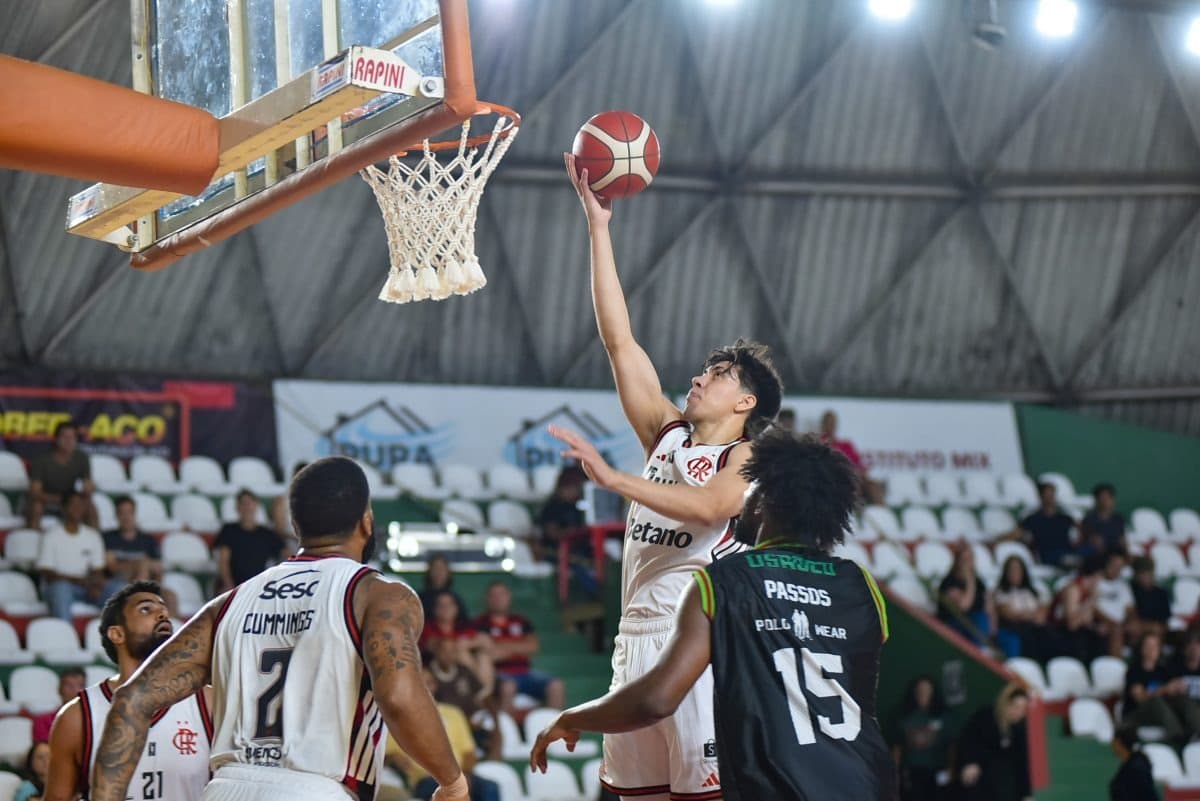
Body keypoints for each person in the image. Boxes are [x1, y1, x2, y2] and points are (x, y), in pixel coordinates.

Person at [549, 152, 785, 801]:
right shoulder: (667, 431)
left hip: (698, 647)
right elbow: (620, 342)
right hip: (634, 643)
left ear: (746, 404)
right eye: (704, 369)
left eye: (718, 375)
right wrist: (598, 227)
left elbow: (710, 508)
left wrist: (613, 478)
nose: (699, 377)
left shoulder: (747, 458)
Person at [531, 430, 897, 801]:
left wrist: (570, 718)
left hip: (779, 785)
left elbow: (655, 701)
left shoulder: (724, 579)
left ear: (764, 500)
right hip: (865, 782)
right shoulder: (861, 585)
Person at [87, 457, 470, 801]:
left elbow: (131, 700)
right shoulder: (378, 595)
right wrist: (451, 781)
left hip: (224, 789)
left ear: (295, 526)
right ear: (366, 520)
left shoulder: (229, 603)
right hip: (317, 788)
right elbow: (400, 698)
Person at [43, 581, 210, 801]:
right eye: (146, 609)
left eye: (164, 609)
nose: (161, 613)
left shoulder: (207, 701)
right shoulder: (77, 717)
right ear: (117, 634)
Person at [385, 669, 500, 801]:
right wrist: (393, 758)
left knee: (490, 787)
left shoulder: (454, 713)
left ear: (435, 686)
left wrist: (464, 775)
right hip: (426, 779)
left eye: (429, 682)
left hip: (459, 775)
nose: (426, 687)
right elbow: (388, 754)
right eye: (420, 683)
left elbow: (469, 753)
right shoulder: (400, 718)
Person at [473, 581, 565, 713]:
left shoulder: (521, 621)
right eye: (494, 595)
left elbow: (533, 647)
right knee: (508, 687)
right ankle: (505, 729)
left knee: (556, 685)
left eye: (502, 594)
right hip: (499, 674)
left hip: (525, 672)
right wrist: (518, 646)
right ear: (487, 599)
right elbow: (489, 653)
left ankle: (555, 729)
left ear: (509, 597)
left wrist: (500, 646)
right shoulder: (479, 623)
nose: (498, 599)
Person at [36, 489, 109, 621]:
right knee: (61, 589)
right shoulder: (51, 536)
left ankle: (111, 637)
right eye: (73, 505)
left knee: (117, 588)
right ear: (63, 508)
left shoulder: (92, 536)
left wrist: (96, 585)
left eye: (81, 505)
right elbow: (47, 573)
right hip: (59, 588)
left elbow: (98, 570)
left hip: (86, 587)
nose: (77, 509)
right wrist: (77, 581)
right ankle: (65, 638)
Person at [426, 636, 499, 760]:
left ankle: (487, 756)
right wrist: (465, 721)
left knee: (490, 725)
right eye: (445, 651)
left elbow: (484, 696)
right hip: (446, 722)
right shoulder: (429, 674)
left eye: (452, 651)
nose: (448, 655)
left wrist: (496, 724)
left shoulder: (463, 671)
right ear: (437, 652)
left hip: (474, 721)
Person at [956, 683, 1032, 801]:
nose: (1019, 712)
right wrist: (970, 761)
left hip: (1005, 788)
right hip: (980, 782)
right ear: (1006, 703)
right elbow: (968, 740)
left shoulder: (1019, 730)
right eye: (1015, 706)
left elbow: (1021, 765)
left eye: (1023, 709)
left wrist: (1026, 795)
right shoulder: (985, 716)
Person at [422, 589, 495, 697]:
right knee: (461, 652)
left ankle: (484, 694)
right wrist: (462, 644)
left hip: (465, 671)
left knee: (483, 656)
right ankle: (480, 694)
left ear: (456, 608)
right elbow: (433, 645)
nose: (445, 608)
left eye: (449, 604)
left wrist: (468, 644)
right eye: (441, 605)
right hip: (439, 669)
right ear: (435, 609)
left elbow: (486, 642)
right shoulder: (428, 627)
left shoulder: (463, 627)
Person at [213, 489, 287, 593]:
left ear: (256, 506)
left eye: (249, 503)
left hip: (259, 587)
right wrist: (228, 584)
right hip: (234, 587)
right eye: (243, 503)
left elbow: (287, 555)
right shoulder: (229, 530)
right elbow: (223, 560)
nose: (246, 507)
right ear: (237, 508)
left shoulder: (267, 534)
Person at [26, 420, 94, 530]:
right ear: (56, 439)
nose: (69, 441)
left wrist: (87, 490)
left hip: (70, 501)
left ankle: (95, 543)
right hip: (46, 502)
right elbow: (35, 492)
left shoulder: (82, 458)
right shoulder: (42, 460)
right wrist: (59, 499)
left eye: (72, 437)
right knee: (36, 506)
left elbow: (88, 485)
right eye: (65, 437)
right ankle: (33, 540)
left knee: (89, 506)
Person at [1120, 631, 1187, 742]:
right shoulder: (1134, 671)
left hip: (1156, 715)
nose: (1151, 650)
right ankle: (1177, 736)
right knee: (1156, 701)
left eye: (1155, 646)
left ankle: (1195, 732)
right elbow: (1140, 698)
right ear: (1141, 648)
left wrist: (1177, 688)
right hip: (1135, 715)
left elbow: (1170, 691)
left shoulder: (1163, 671)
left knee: (1183, 699)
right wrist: (1165, 689)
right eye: (1148, 646)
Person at [892, 675, 949, 801]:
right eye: (920, 690)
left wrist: (950, 771)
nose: (924, 693)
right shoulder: (904, 715)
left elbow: (952, 746)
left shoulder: (942, 716)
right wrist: (894, 773)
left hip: (936, 771)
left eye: (927, 690)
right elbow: (897, 747)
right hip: (910, 771)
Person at [1050, 554, 1110, 664]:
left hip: (1077, 631)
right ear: (1095, 575)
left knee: (1100, 636)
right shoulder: (1073, 589)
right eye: (1100, 577)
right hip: (1059, 632)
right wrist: (1090, 602)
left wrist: (1096, 627)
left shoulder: (1089, 592)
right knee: (1081, 639)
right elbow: (1072, 624)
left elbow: (1087, 620)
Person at [1005, 483, 1079, 570]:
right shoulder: (1033, 519)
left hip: (1067, 552)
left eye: (1052, 494)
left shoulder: (1064, 518)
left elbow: (1082, 528)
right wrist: (997, 541)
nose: (1050, 498)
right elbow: (1017, 533)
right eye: (1047, 495)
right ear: (1040, 496)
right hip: (1048, 554)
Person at [992, 556, 1050, 662]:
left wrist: (1028, 615)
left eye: (1018, 569)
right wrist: (1030, 615)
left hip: (1034, 626)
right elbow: (1009, 614)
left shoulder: (1033, 592)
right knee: (1028, 636)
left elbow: (1041, 615)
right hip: (1014, 627)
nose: (1015, 573)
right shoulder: (1001, 592)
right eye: (1012, 570)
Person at [937, 545, 996, 649]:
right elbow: (964, 606)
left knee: (982, 619)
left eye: (970, 559)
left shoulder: (980, 583)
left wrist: (992, 629)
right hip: (954, 623)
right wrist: (970, 581)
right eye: (965, 559)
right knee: (979, 618)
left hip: (976, 627)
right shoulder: (949, 582)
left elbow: (989, 608)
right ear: (958, 561)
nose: (968, 562)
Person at [104, 495, 165, 584]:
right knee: (143, 565)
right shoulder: (107, 538)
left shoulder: (148, 540)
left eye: (129, 512)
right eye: (122, 513)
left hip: (146, 582)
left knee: (170, 596)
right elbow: (112, 568)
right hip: (118, 584)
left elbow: (158, 568)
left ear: (135, 513)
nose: (126, 517)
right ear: (116, 515)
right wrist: (138, 565)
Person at [30, 667, 86, 743]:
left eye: (80, 686)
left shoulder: (94, 721)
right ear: (59, 689)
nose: (75, 690)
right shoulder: (42, 722)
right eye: (69, 685)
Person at [1095, 551, 1135, 657]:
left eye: (1120, 567)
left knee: (1138, 627)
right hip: (1103, 622)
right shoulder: (1096, 582)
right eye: (1114, 565)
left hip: (1121, 623)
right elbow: (1094, 609)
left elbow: (1130, 609)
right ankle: (1117, 667)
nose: (1117, 569)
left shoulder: (1123, 585)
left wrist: (1129, 622)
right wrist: (1112, 623)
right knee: (1117, 630)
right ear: (1106, 565)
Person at [1109, 729, 1159, 801]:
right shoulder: (1134, 765)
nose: (1111, 744)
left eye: (1113, 740)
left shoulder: (1136, 769)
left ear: (1118, 742)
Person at [418, 554, 470, 624]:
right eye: (435, 569)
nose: (438, 573)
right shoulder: (419, 599)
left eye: (442, 569)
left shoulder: (456, 599)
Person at [1082, 483, 1127, 557]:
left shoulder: (1118, 519)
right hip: (1096, 555)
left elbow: (1122, 539)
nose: (1105, 501)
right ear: (1096, 500)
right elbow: (1089, 539)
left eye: (1108, 498)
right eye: (1102, 498)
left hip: (1116, 553)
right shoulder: (1089, 519)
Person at [1130, 557, 1170, 641]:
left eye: (1147, 573)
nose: (1144, 576)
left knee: (1157, 629)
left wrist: (1153, 626)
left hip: (1157, 628)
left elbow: (1165, 620)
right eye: (1141, 573)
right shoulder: (1130, 591)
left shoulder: (1161, 593)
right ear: (1136, 575)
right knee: (1134, 628)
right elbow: (1131, 616)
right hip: (1137, 627)